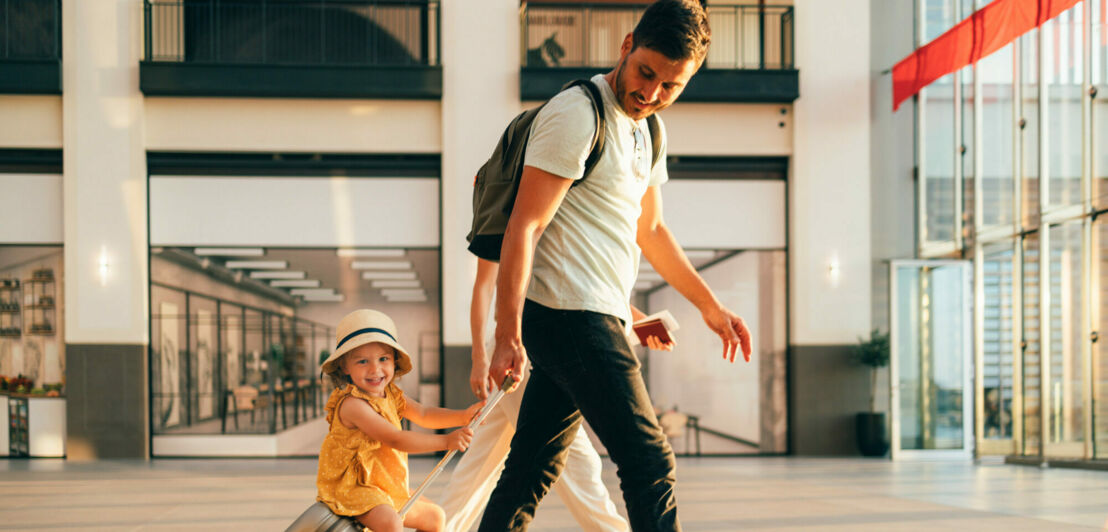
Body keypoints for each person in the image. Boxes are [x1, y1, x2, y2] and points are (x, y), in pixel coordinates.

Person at [479, 1, 753, 530]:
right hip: (568, 317)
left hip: (593, 318)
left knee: (530, 468)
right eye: (646, 72)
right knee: (650, 462)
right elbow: (525, 225)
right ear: (627, 45)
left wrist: (710, 308)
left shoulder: (650, 132)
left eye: (671, 86)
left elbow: (649, 232)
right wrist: (506, 332)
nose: (651, 93)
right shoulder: (579, 114)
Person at [440, 258, 670, 532]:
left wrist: (639, 322)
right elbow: (484, 287)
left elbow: (580, 285)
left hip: (545, 344)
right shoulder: (511, 220)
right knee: (576, 463)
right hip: (519, 350)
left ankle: (439, 526)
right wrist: (478, 356)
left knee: (484, 460)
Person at [317, 309, 483, 532]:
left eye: (383, 359)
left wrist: (462, 416)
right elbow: (395, 439)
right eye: (363, 361)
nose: (375, 369)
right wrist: (445, 442)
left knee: (435, 517)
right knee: (391, 523)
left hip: (383, 484)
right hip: (355, 488)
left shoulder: (392, 395)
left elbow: (424, 414)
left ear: (394, 361)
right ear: (345, 367)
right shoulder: (352, 405)